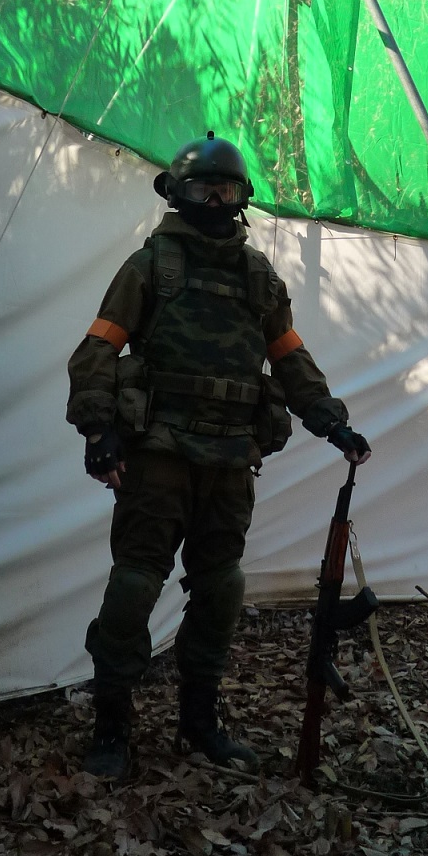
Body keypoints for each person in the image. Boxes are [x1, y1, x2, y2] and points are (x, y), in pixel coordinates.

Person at [66, 132, 371, 780]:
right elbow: (97, 351)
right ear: (178, 195)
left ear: (240, 198)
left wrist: (331, 422)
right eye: (203, 189)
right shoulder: (150, 267)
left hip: (230, 459)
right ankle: (112, 725)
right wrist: (99, 431)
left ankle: (199, 722)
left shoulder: (258, 277)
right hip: (159, 455)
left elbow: (289, 357)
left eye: (225, 190)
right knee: (135, 585)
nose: (214, 201)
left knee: (222, 588)